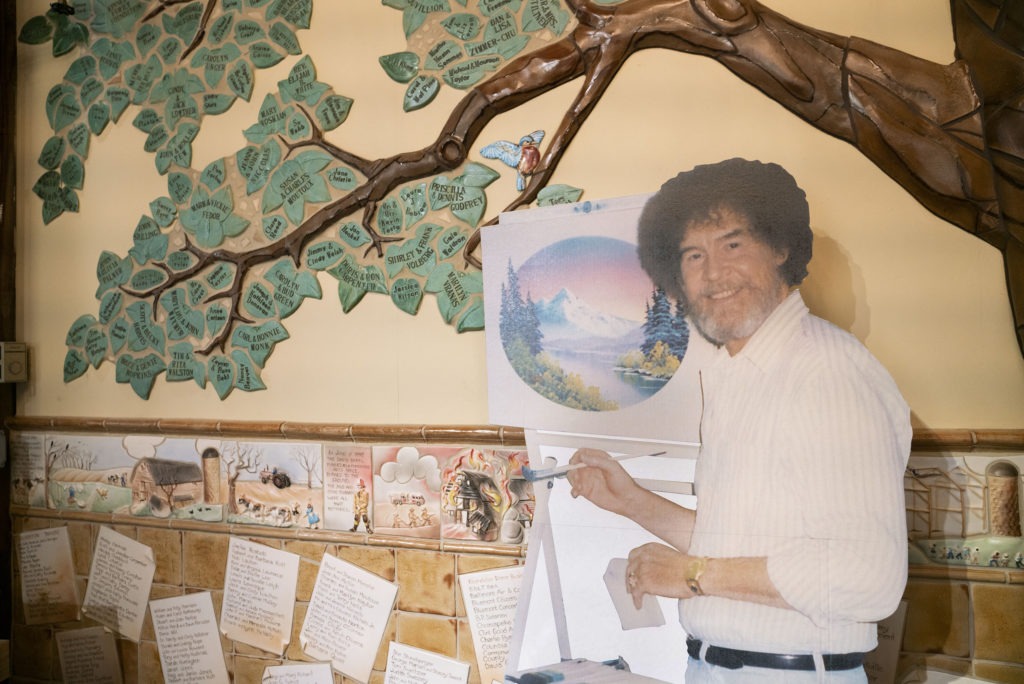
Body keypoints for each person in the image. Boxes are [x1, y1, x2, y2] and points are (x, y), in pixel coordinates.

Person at [567, 158, 911, 682]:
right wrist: (631, 500)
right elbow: (743, 541)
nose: (712, 274)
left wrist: (695, 575)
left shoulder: (828, 371)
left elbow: (870, 576)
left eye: (732, 245)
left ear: (780, 247)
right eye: (693, 255)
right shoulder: (738, 374)